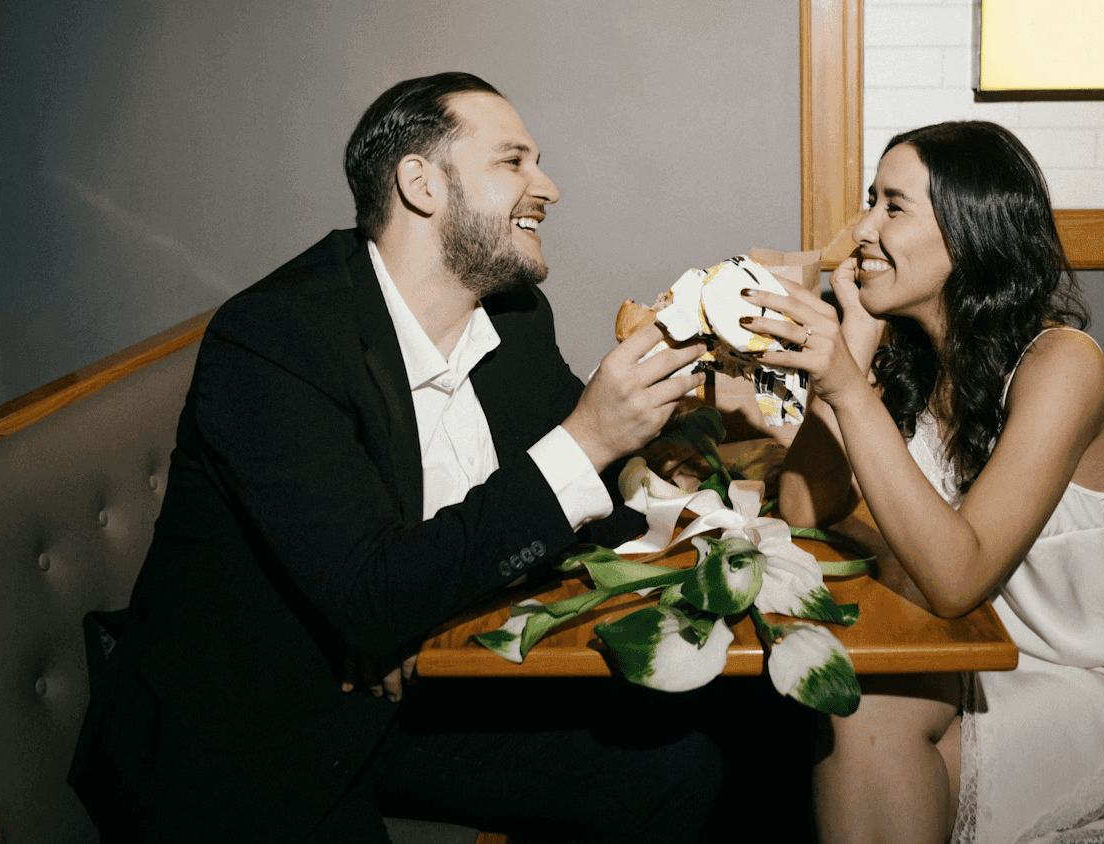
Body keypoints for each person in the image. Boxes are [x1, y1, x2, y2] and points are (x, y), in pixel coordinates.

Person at [69, 72, 717, 843]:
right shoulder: (275, 342)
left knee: (688, 759)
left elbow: (562, 491)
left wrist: (668, 463)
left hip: (416, 689)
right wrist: (592, 438)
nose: (548, 186)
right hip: (254, 726)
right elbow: (374, 592)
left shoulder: (512, 318)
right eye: (513, 162)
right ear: (420, 183)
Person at [749, 121, 1104, 843]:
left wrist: (847, 389)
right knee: (855, 709)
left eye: (893, 207)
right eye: (869, 200)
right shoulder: (915, 358)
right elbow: (805, 503)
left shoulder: (1063, 365)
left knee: (865, 729)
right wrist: (856, 334)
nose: (862, 229)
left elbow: (956, 575)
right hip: (979, 659)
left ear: (970, 232)